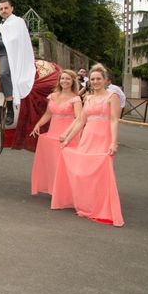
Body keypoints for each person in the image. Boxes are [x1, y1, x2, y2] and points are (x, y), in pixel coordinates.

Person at [51, 63, 124, 226]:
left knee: (99, 174)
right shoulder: (88, 98)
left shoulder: (112, 97)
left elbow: (114, 120)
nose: (96, 81)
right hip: (87, 138)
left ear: (105, 80)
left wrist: (114, 142)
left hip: (103, 138)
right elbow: (80, 121)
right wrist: (68, 137)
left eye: (99, 78)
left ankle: (99, 207)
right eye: (93, 79)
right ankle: (85, 205)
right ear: (89, 81)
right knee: (81, 172)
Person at [29, 69, 82, 196]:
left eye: (68, 79)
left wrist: (68, 135)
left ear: (72, 81)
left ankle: (66, 192)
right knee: (52, 164)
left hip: (67, 136)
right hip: (52, 134)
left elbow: (79, 118)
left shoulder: (76, 99)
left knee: (65, 166)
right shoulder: (53, 96)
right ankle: (54, 190)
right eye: (63, 78)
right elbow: (48, 114)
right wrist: (38, 124)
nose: (65, 81)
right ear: (59, 81)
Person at [0, 0, 35, 125]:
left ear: (12, 8)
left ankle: (10, 107)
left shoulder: (18, 22)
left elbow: (15, 41)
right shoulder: (1, 25)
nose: (3, 11)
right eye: (1, 9)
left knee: (3, 74)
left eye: (6, 8)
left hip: (8, 54)